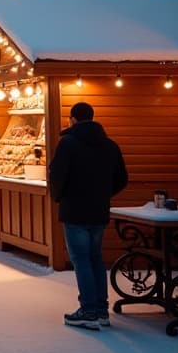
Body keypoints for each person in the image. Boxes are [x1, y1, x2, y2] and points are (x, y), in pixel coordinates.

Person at [49, 102, 128, 330]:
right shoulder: (110, 145)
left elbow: (57, 176)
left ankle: (89, 310)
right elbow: (122, 178)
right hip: (98, 211)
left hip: (74, 211)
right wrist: (103, 194)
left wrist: (59, 197)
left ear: (72, 119)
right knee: (95, 258)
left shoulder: (68, 144)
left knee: (81, 260)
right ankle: (101, 310)